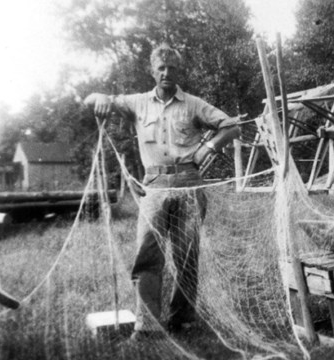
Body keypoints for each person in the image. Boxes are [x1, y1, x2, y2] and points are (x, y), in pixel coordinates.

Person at [84, 43, 240, 339]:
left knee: (187, 256)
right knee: (147, 254)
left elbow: (232, 127)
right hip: (154, 187)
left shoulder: (194, 104)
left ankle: (183, 319)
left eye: (173, 69)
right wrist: (102, 97)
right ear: (152, 71)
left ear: (179, 72)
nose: (167, 73)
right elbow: (89, 99)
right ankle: (148, 325)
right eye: (161, 68)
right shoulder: (138, 102)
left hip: (189, 184)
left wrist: (208, 147)